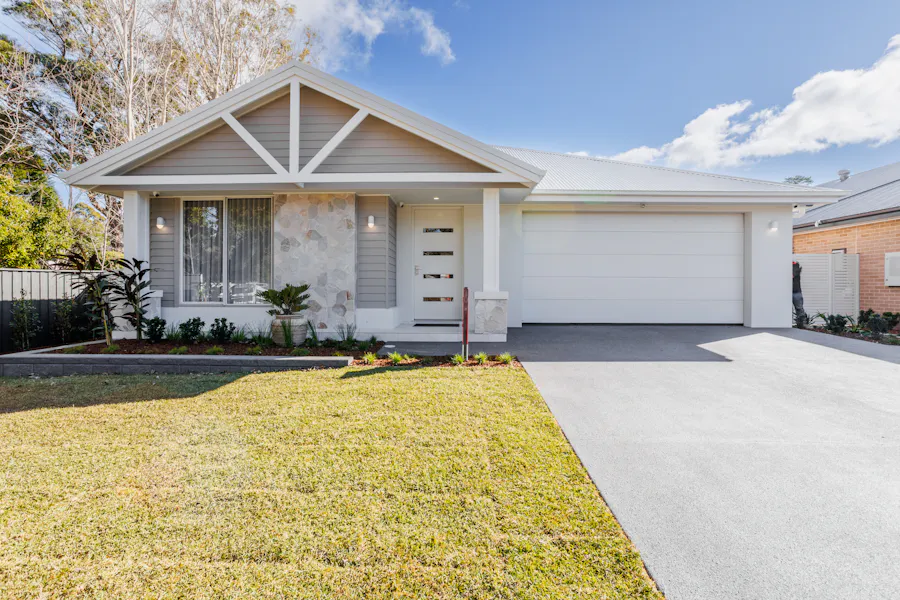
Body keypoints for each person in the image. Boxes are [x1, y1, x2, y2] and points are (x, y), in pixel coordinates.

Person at [792, 261, 806, 326]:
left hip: (796, 292)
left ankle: (802, 325)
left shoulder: (795, 265)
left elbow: (793, 275)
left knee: (799, 309)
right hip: (785, 292)